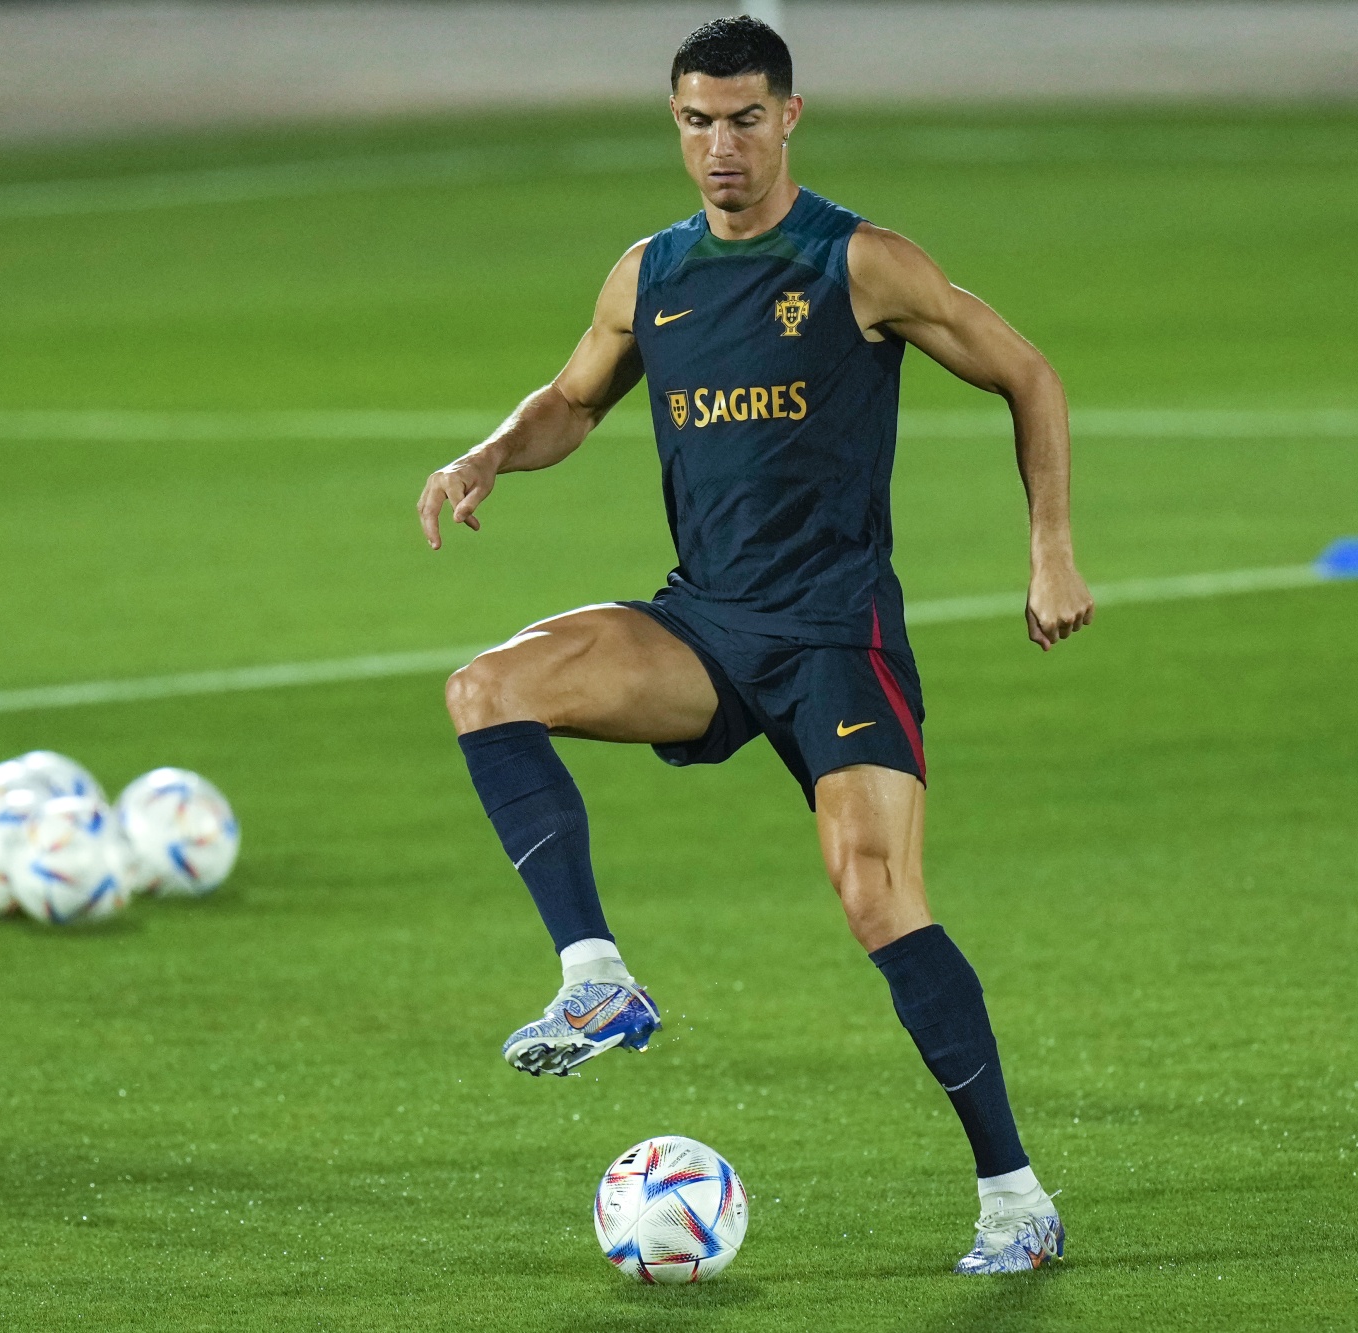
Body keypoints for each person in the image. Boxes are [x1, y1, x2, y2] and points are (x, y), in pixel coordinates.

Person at [414, 16, 1092, 1275]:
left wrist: (1048, 545)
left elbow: (1028, 373)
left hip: (837, 638)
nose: (717, 148)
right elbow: (572, 399)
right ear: (672, 124)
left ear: (788, 117)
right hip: (706, 625)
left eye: (740, 120)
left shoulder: (858, 263)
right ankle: (596, 976)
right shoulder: (650, 273)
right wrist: (488, 452)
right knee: (485, 686)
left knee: (876, 897)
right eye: (692, 122)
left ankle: (1014, 1200)